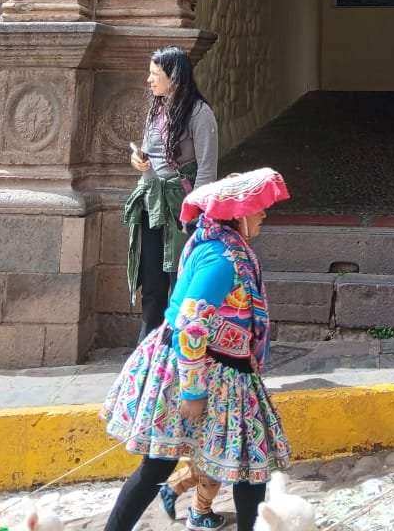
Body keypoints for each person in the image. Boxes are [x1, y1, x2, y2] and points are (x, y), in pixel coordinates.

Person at [102, 167, 293, 531]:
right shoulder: (222, 260)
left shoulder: (217, 245)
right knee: (245, 464)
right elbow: (191, 322)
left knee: (233, 465)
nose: (264, 214)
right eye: (258, 208)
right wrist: (192, 391)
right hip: (203, 371)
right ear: (238, 214)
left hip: (217, 366)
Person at [125, 47, 219, 338]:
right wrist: (139, 162)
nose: (149, 80)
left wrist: (193, 215)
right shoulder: (156, 109)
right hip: (152, 205)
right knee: (152, 281)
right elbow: (150, 156)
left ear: (174, 78)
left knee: (180, 280)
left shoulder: (201, 114)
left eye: (155, 74)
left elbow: (206, 169)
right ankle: (148, 349)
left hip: (182, 209)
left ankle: (179, 346)